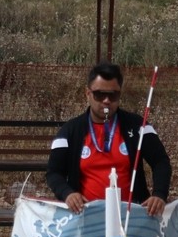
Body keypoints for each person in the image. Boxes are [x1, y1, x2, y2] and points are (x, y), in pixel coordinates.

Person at [47, 61, 171, 217]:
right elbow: (54, 173)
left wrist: (159, 194)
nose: (106, 100)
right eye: (99, 94)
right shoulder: (69, 131)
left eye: (113, 95)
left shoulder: (138, 126)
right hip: (85, 217)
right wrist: (68, 194)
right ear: (88, 93)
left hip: (130, 217)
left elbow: (160, 161)